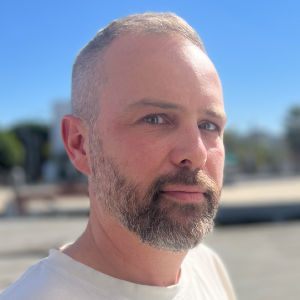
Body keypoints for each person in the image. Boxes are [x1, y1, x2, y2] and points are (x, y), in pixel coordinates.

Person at [0, 12, 236, 300]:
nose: (196, 153)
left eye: (209, 125)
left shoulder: (207, 268)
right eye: (155, 119)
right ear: (80, 145)